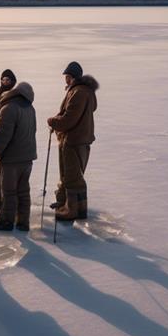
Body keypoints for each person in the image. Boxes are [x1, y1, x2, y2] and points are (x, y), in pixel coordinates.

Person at [47, 61, 99, 222]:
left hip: (73, 140)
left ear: (72, 77)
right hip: (81, 139)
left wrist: (53, 122)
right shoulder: (86, 91)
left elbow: (69, 118)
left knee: (72, 177)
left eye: (67, 77)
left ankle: (71, 210)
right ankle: (79, 208)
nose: (65, 80)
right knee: (75, 175)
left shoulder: (78, 92)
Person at [0, 81, 38, 231]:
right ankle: (23, 222)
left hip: (12, 159)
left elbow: (2, 136)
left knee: (8, 192)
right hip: (28, 158)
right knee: (23, 191)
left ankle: (6, 222)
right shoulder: (30, 108)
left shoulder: (9, 109)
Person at [0, 69, 18, 210]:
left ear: (12, 82)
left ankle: (5, 205)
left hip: (12, 143)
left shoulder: (11, 100)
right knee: (4, 171)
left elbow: (4, 128)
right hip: (10, 142)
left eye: (8, 80)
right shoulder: (2, 95)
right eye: (3, 79)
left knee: (8, 175)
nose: (5, 82)